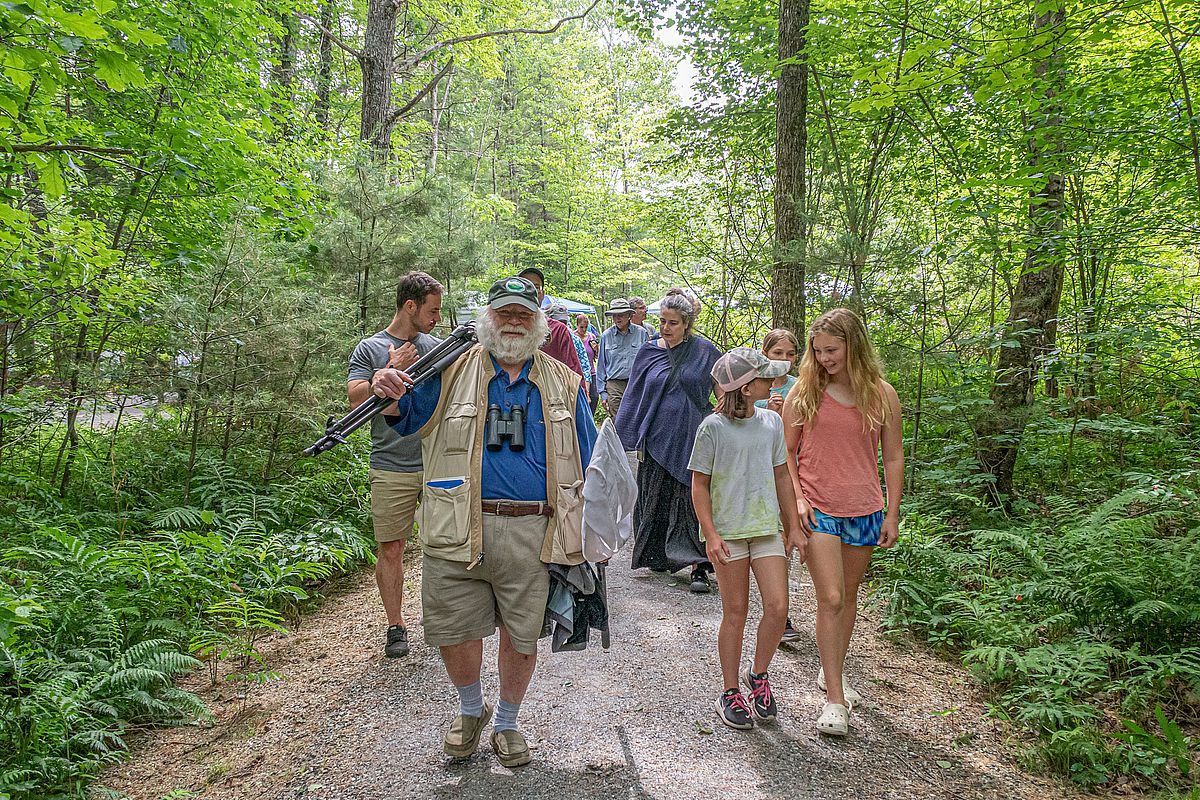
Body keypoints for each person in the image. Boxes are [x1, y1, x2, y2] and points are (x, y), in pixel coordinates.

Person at [371, 276, 596, 768]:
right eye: (504, 313)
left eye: (523, 313)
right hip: (456, 527)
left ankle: (509, 721)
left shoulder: (565, 381)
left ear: (539, 321)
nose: (513, 321)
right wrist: (385, 382)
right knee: (455, 630)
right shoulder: (445, 371)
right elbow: (401, 416)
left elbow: (591, 457)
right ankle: (471, 709)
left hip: (535, 532)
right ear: (486, 319)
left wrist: (596, 533)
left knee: (522, 635)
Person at [782, 308, 903, 737]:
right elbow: (786, 455)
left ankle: (833, 668)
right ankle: (834, 698)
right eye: (818, 351)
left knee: (848, 597)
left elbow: (892, 456)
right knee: (830, 596)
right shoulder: (805, 391)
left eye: (831, 350)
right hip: (819, 508)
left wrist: (891, 511)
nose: (824, 358)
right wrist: (796, 500)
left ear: (854, 344)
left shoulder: (881, 394)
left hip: (865, 508)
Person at [691, 348, 805, 730]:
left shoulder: (772, 422)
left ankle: (758, 675)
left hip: (765, 528)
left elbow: (783, 476)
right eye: (764, 376)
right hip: (729, 534)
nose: (772, 380)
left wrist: (792, 526)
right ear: (745, 386)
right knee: (735, 613)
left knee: (777, 607)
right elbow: (700, 485)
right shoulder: (712, 428)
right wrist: (710, 534)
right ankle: (729, 690)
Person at [346, 271, 443, 658]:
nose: (436, 318)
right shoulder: (370, 348)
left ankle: (440, 619)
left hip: (437, 462)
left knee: (444, 546)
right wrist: (381, 374)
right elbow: (355, 399)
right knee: (391, 548)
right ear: (410, 306)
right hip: (390, 464)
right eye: (432, 311)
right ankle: (395, 625)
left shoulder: (437, 346)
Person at [614, 291, 721, 592]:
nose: (665, 327)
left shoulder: (704, 351)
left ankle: (699, 566)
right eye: (662, 321)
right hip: (656, 435)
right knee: (656, 495)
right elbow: (634, 394)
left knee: (690, 497)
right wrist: (621, 435)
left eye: (673, 322)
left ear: (687, 324)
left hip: (692, 435)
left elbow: (722, 388)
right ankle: (658, 554)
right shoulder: (648, 352)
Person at [753, 329, 802, 643]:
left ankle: (781, 613)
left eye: (789, 354)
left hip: (790, 472)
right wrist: (767, 412)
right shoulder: (753, 385)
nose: (783, 360)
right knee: (767, 540)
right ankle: (775, 608)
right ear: (765, 354)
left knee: (786, 540)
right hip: (757, 474)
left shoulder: (800, 387)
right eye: (777, 353)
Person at [516, 267, 584, 380]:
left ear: (542, 294)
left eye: (536, 287)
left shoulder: (558, 331)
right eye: (525, 285)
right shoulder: (504, 327)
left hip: (551, 394)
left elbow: (575, 375)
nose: (530, 291)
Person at [595, 298, 648, 421]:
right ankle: (618, 440)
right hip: (614, 384)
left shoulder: (641, 333)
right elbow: (601, 365)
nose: (617, 318)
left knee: (636, 419)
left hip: (636, 382)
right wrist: (602, 393)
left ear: (629, 315)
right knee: (617, 420)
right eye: (614, 316)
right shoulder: (606, 336)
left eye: (621, 315)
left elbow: (648, 362)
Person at [574, 312, 600, 411]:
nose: (584, 330)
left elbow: (596, 356)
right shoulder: (572, 337)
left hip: (591, 372)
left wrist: (596, 349)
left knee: (594, 398)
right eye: (581, 327)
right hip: (577, 373)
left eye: (586, 327)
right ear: (577, 326)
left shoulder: (591, 337)